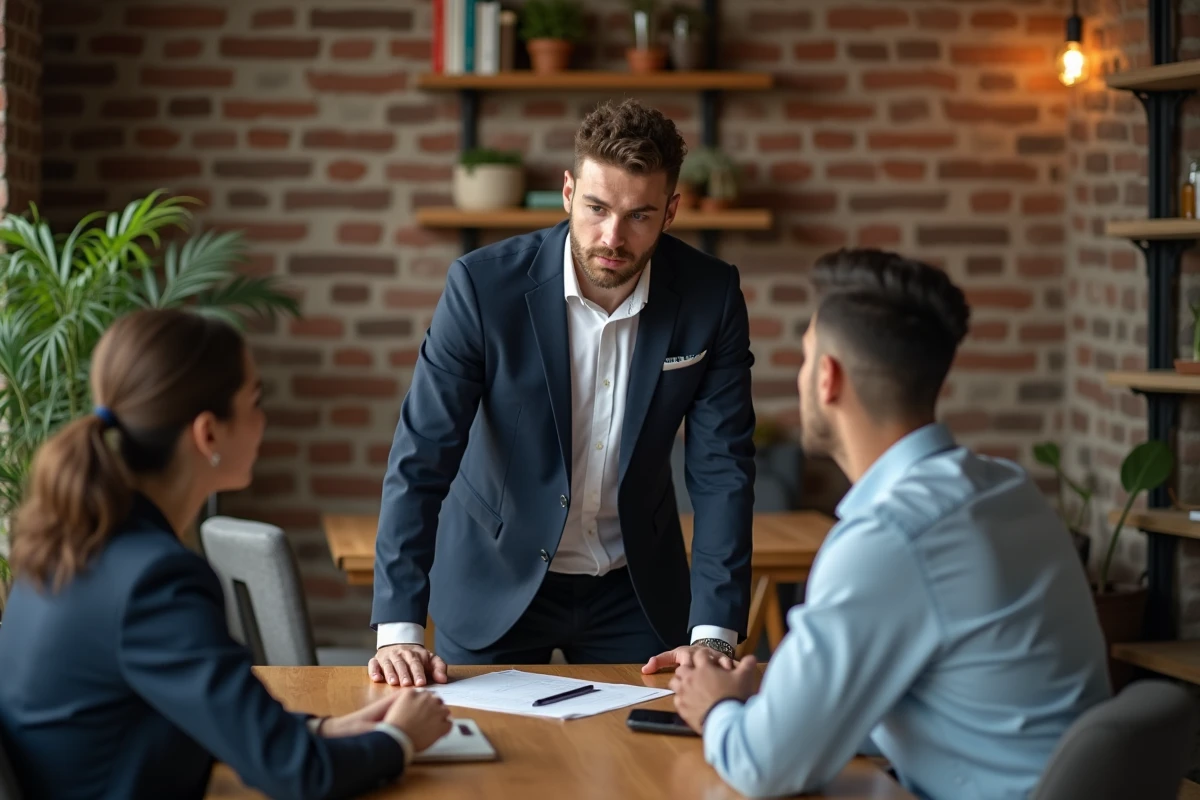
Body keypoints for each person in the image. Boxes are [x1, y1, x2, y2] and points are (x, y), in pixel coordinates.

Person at [668, 249, 1111, 799]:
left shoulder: (890, 537)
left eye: (807, 358)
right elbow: (952, 691)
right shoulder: (1006, 488)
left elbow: (764, 767)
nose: (801, 374)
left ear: (828, 379)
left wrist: (716, 706)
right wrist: (779, 689)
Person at [370, 98, 755, 685]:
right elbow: (423, 452)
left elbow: (723, 466)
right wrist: (398, 629)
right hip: (495, 579)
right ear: (569, 191)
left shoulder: (711, 295)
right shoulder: (481, 287)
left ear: (672, 211)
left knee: (650, 764)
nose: (613, 237)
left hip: (636, 589)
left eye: (640, 216)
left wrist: (714, 635)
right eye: (597, 208)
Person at [0, 309, 452, 800]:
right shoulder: (155, 581)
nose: (264, 420)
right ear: (208, 433)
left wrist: (323, 730)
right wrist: (400, 737)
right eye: (255, 402)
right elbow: (299, 775)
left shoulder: (68, 544)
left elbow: (204, 715)